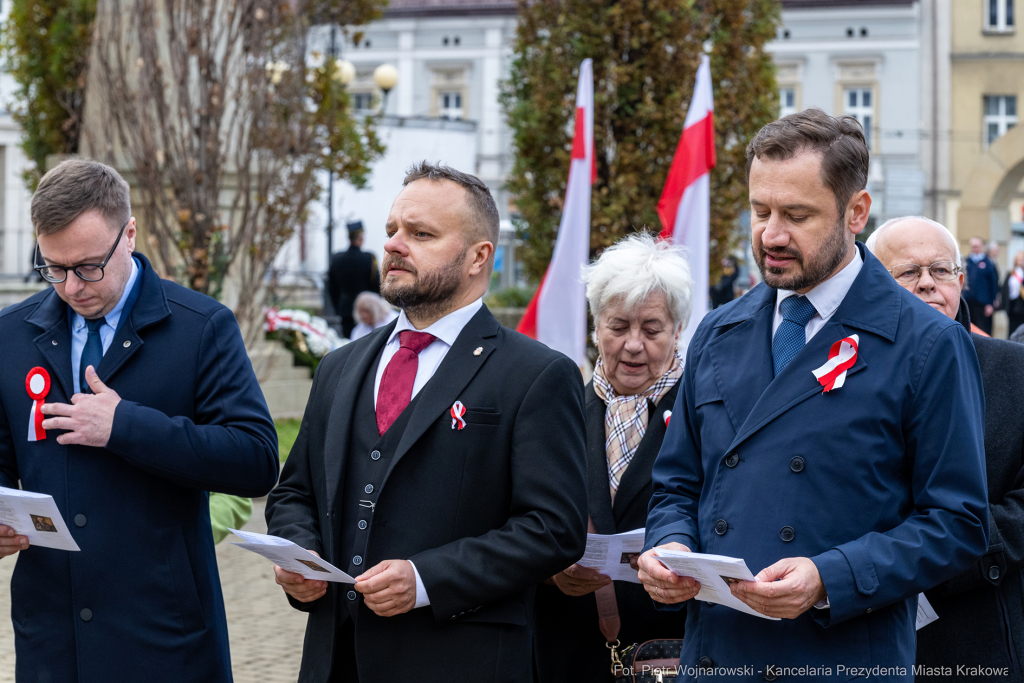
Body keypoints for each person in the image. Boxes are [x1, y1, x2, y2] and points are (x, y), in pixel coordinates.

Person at [638, 109, 989, 680]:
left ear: (856, 212)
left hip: (840, 658)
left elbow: (959, 522)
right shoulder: (718, 331)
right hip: (717, 655)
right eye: (760, 212)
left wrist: (831, 577)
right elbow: (676, 484)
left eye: (796, 215)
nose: (771, 235)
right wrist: (669, 549)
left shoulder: (928, 343)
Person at [264, 162, 588, 683]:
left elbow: (554, 529)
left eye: (421, 234)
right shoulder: (339, 366)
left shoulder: (536, 374)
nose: (394, 244)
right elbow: (294, 491)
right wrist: (299, 553)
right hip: (335, 660)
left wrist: (425, 579)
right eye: (392, 229)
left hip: (461, 661)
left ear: (479, 257)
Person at [0, 160, 279, 682]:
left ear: (129, 234)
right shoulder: (9, 337)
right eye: (52, 267)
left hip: (165, 636)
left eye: (87, 266)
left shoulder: (202, 327)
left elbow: (257, 460)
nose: (71, 287)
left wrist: (125, 425)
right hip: (53, 641)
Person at [867, 216, 1024, 681]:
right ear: (872, 284)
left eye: (940, 271)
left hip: (978, 627)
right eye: (908, 272)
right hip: (865, 627)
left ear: (961, 281)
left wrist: (943, 555)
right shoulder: (840, 374)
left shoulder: (1013, 371)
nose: (927, 285)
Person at [533, 233, 692, 682]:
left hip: (670, 649)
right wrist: (552, 572)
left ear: (678, 330)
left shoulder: (708, 415)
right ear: (595, 327)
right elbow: (518, 518)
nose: (634, 344)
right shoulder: (553, 408)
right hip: (570, 649)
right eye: (618, 326)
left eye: (652, 328)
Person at [328, 221, 380, 337]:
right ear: (361, 237)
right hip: (367, 310)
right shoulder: (369, 258)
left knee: (348, 343)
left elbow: (332, 288)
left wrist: (338, 308)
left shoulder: (336, 259)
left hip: (345, 309)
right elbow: (377, 285)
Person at [964, 236, 999, 335]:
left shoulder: (989, 263)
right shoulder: (966, 262)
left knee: (983, 330)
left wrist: (990, 303)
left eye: (977, 246)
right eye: (973, 246)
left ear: (982, 247)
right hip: (968, 302)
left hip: (983, 304)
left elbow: (994, 284)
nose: (975, 248)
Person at [1002, 250, 1024, 337]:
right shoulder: (1010, 273)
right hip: (1012, 306)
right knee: (1012, 330)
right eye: (1018, 260)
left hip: (1022, 306)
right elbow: (1005, 290)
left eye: (1021, 260)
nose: (1020, 262)